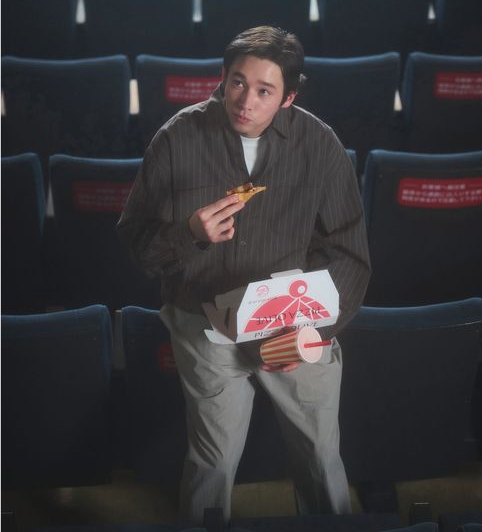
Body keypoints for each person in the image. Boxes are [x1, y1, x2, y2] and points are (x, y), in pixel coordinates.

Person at [117, 26, 371, 524]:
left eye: (264, 91)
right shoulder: (177, 137)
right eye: (237, 82)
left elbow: (350, 254)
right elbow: (139, 246)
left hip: (294, 326)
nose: (245, 101)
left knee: (322, 460)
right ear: (223, 76)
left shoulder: (319, 144)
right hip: (207, 325)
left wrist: (311, 330)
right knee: (211, 466)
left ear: (289, 97)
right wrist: (190, 233)